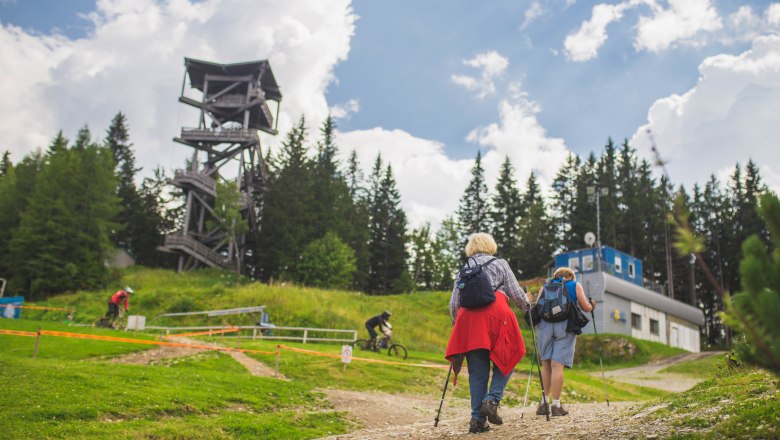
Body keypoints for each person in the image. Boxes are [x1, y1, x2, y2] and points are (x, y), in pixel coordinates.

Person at [445, 233, 532, 434]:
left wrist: (456, 323)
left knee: (477, 371)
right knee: (509, 354)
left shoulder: (465, 269)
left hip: (470, 321)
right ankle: (492, 399)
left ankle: (477, 421)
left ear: (471, 248)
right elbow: (515, 292)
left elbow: (454, 303)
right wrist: (527, 305)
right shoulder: (500, 263)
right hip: (497, 316)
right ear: (490, 246)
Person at [533, 267, 594, 417]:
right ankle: (556, 405)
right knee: (557, 365)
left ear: (556, 277)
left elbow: (537, 307)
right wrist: (592, 305)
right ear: (570, 276)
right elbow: (586, 307)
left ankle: (543, 403)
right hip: (565, 326)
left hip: (544, 327)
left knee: (546, 363)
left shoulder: (545, 286)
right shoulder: (574, 285)